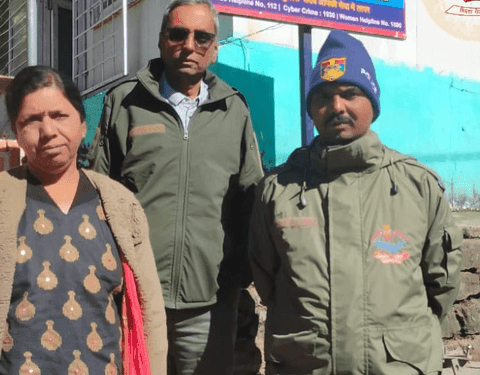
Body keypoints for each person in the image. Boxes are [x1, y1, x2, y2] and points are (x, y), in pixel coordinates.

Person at [250, 29, 463, 375]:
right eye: (323, 96)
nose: (337, 106)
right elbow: (267, 281)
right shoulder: (278, 190)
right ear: (311, 108)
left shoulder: (417, 186)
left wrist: (399, 343)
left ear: (372, 102)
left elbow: (442, 284)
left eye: (350, 93)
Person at [90, 0, 264, 373]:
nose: (189, 46)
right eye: (178, 34)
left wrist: (236, 277)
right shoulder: (125, 104)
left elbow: (251, 198)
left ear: (215, 48)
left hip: (209, 300)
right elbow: (100, 196)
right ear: (160, 40)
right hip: (135, 294)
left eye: (202, 38)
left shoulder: (234, 111)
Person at [0, 66, 167, 375]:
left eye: (60, 115)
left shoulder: (119, 205)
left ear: (82, 125)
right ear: (16, 133)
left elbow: (150, 313)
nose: (49, 130)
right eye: (32, 120)